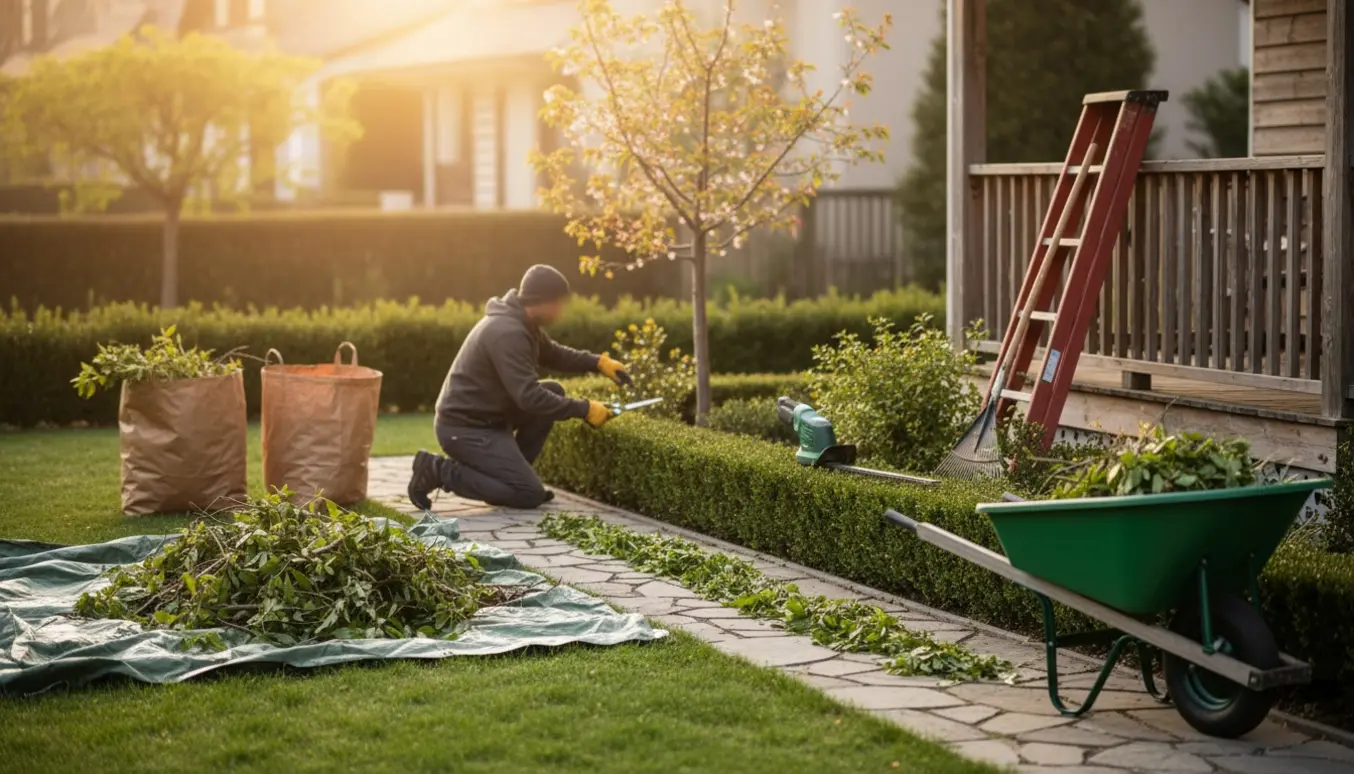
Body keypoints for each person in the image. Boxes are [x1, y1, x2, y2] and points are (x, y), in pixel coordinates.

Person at [407, 264, 631, 511]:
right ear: (541, 301)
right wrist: (585, 409)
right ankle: (436, 470)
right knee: (528, 494)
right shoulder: (507, 333)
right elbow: (529, 397)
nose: (561, 309)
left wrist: (599, 363)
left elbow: (554, 355)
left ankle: (512, 482)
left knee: (554, 390)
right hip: (465, 428)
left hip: (489, 421)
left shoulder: (522, 323)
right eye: (558, 302)